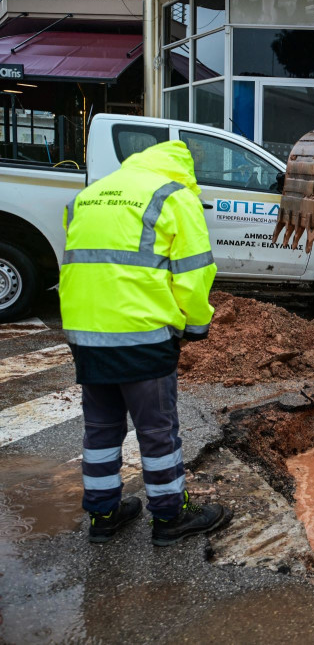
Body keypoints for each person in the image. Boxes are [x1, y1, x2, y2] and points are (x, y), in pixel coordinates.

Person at [60, 140, 231, 546]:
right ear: (183, 170)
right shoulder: (174, 197)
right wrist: (196, 324)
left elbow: (79, 265)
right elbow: (193, 274)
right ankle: (170, 517)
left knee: (100, 430)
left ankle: (103, 515)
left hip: (86, 334)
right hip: (142, 335)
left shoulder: (88, 196)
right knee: (157, 432)